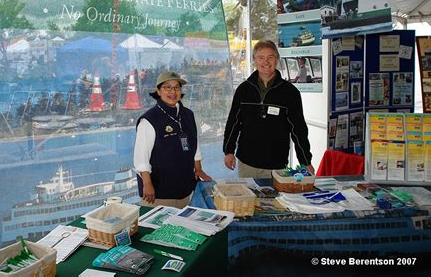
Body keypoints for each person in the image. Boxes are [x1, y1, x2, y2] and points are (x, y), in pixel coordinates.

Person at [223, 40, 314, 178]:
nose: (266, 62)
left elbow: (298, 130)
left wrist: (305, 161)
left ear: (277, 59)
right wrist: (229, 151)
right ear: (254, 60)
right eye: (261, 57)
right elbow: (233, 123)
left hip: (276, 165)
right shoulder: (243, 90)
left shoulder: (290, 92)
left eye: (270, 57)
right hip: (247, 163)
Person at [134, 70, 212, 208]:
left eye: (176, 87)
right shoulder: (149, 120)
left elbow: (195, 143)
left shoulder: (188, 114)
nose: (173, 92)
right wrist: (147, 184)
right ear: (158, 91)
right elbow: (141, 157)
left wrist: (198, 169)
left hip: (184, 189)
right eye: (167, 87)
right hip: (158, 193)